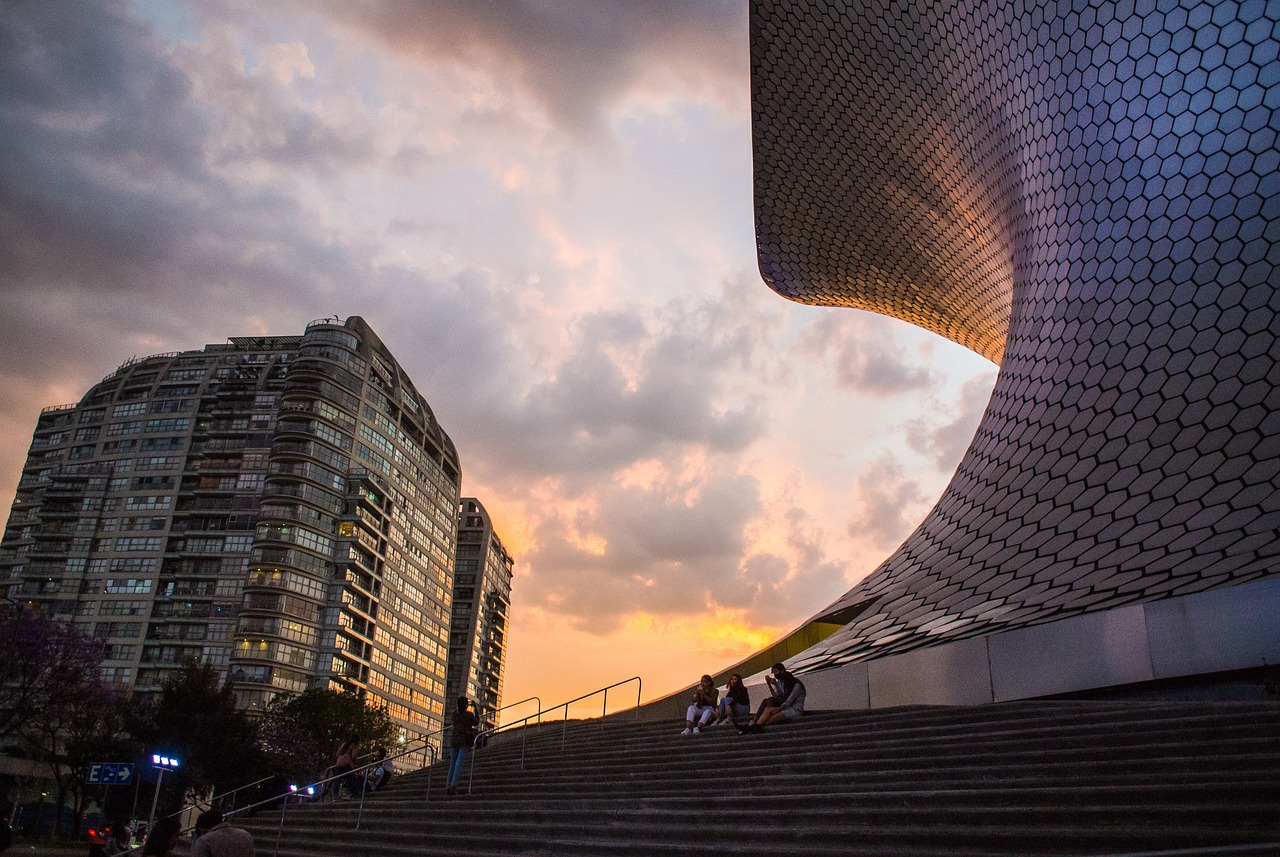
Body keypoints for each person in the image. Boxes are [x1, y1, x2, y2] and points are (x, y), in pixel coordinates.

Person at [741, 664, 806, 733]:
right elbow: (777, 696)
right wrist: (770, 685)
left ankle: (750, 728)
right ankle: (752, 725)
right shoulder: (783, 683)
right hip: (785, 707)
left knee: (768, 720)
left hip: (793, 710)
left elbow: (789, 701)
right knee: (767, 709)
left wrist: (778, 710)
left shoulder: (797, 686)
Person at [445, 696, 478, 796]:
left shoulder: (455, 714)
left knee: (452, 765)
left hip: (454, 741)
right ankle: (453, 787)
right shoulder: (468, 715)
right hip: (464, 741)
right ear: (466, 705)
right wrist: (476, 709)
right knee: (458, 765)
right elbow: (476, 722)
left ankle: (448, 787)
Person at [330, 734, 360, 798]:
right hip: (347, 763)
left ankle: (335, 794)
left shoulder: (344, 744)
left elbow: (337, 754)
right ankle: (346, 792)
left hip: (339, 762)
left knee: (338, 777)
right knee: (352, 776)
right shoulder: (354, 746)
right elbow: (354, 756)